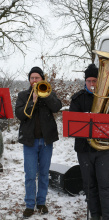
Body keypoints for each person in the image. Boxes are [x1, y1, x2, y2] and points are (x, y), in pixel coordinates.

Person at [69, 64, 109, 220]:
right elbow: (73, 123)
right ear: (85, 81)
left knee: (106, 185)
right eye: (89, 81)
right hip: (84, 149)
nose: (92, 84)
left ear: (99, 81)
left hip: (103, 149)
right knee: (90, 186)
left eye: (95, 81)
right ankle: (95, 216)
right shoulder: (77, 99)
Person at [15, 67, 62, 218]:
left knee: (43, 173)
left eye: (37, 78)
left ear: (42, 79)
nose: (34, 81)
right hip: (30, 142)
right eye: (32, 78)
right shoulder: (23, 95)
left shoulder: (49, 93)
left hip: (46, 141)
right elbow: (20, 114)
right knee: (30, 174)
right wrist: (32, 101)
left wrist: (45, 95)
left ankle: (41, 203)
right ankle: (29, 205)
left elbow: (57, 107)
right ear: (29, 80)